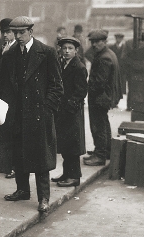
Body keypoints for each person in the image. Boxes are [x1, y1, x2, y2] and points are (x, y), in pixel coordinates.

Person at [0, 16, 63, 212]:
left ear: (31, 32)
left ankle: (44, 198)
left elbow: (57, 86)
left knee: (41, 158)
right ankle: (22, 190)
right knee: (19, 153)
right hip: (18, 114)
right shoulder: (9, 56)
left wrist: (46, 109)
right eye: (15, 33)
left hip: (38, 114)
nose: (18, 36)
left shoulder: (47, 52)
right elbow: (5, 85)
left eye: (22, 33)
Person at [51, 37, 88, 187]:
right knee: (66, 145)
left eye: (70, 48)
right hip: (63, 112)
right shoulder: (62, 64)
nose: (66, 51)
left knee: (73, 146)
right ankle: (67, 174)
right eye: (64, 48)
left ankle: (74, 177)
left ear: (76, 50)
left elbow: (81, 91)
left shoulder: (79, 67)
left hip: (72, 113)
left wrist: (69, 107)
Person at [83, 29, 122, 166]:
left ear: (104, 41)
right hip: (105, 96)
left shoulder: (104, 57)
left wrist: (87, 88)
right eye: (92, 42)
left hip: (100, 97)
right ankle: (105, 151)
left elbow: (99, 82)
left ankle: (100, 156)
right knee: (103, 123)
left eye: (97, 42)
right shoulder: (107, 53)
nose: (94, 45)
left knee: (98, 125)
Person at [0, 18, 17, 178]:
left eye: (8, 32)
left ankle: (12, 166)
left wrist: (5, 56)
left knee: (11, 132)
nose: (5, 35)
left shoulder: (15, 49)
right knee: (3, 129)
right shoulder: (3, 47)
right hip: (2, 95)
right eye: (3, 32)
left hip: (13, 97)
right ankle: (3, 165)